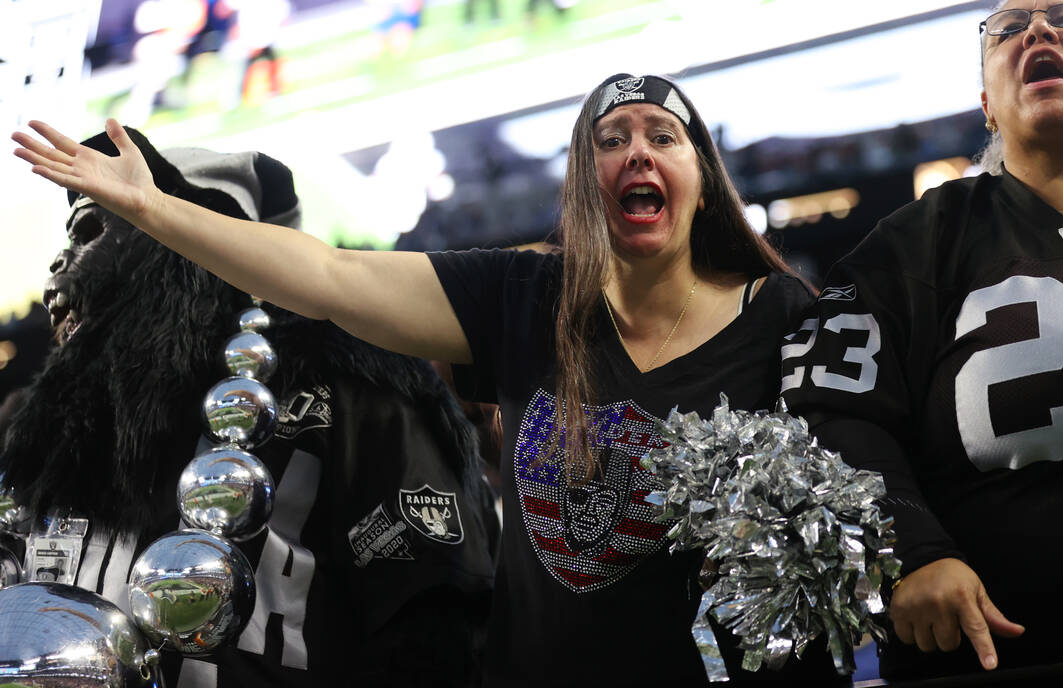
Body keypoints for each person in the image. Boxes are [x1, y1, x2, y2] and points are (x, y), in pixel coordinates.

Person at [10, 73, 838, 686]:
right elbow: (328, 276)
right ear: (583, 186)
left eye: (662, 135)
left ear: (704, 176)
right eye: (609, 139)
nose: (636, 154)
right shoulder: (524, 298)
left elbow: (841, 496)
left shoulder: (779, 314)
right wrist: (152, 211)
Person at [778, 0, 1063, 684]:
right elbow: (827, 412)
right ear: (988, 108)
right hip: (994, 657)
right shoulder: (912, 246)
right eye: (1007, 31)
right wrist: (910, 549)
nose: (1038, 33)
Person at [0, 128, 496, 686]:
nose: (58, 264)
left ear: (185, 247)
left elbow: (438, 631)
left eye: (91, 229)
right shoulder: (31, 434)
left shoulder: (348, 391)